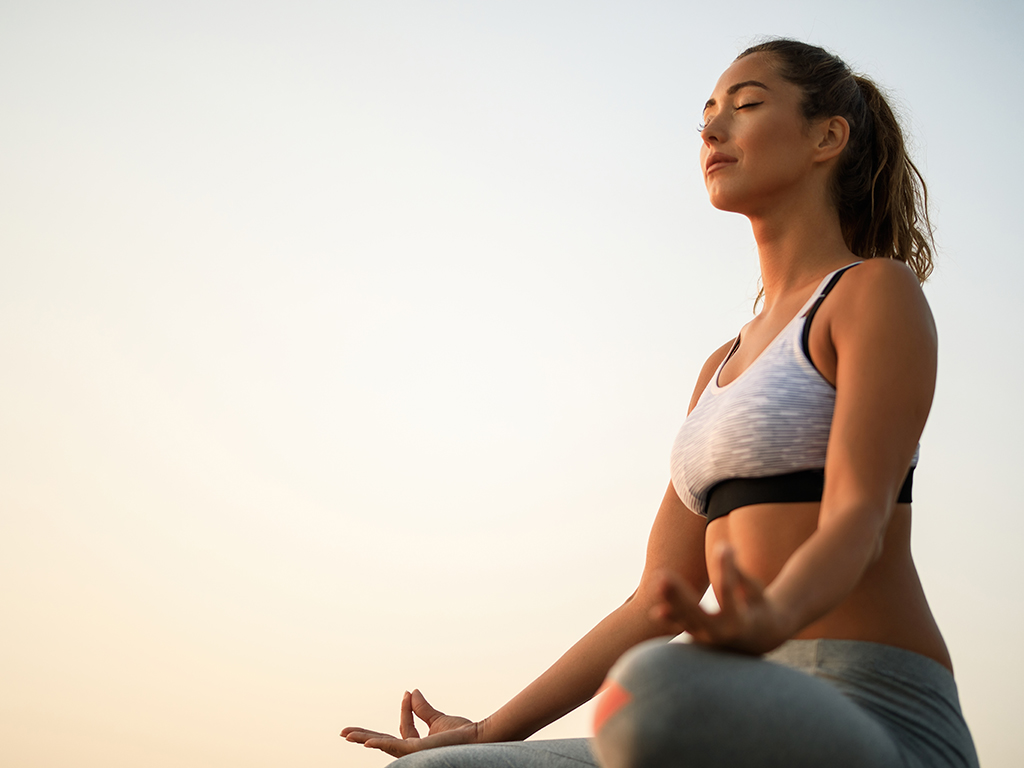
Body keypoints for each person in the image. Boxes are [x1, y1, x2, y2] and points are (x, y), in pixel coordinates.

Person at [341, 39, 979, 768]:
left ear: (826, 136)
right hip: (729, 704)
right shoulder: (720, 366)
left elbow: (858, 519)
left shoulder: (872, 292)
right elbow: (656, 599)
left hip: (873, 710)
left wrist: (773, 618)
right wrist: (489, 730)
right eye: (706, 115)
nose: (712, 131)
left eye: (745, 106)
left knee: (655, 691)